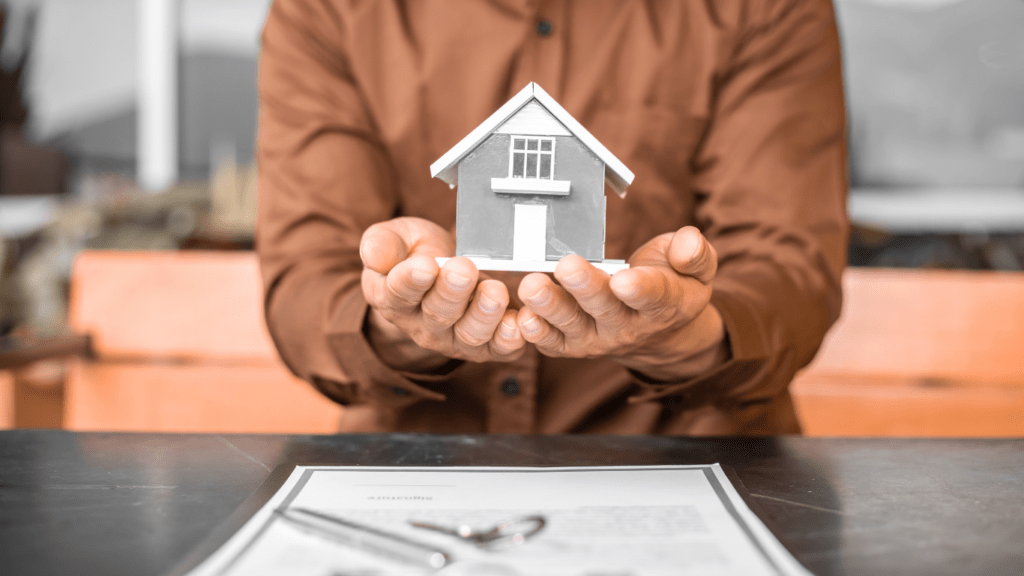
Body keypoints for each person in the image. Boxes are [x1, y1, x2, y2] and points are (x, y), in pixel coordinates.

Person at [256, 0, 848, 434]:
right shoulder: (327, 10)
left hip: (690, 459)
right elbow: (306, 282)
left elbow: (788, 269)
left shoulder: (765, 9)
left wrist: (687, 338)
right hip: (419, 472)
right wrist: (392, 320)